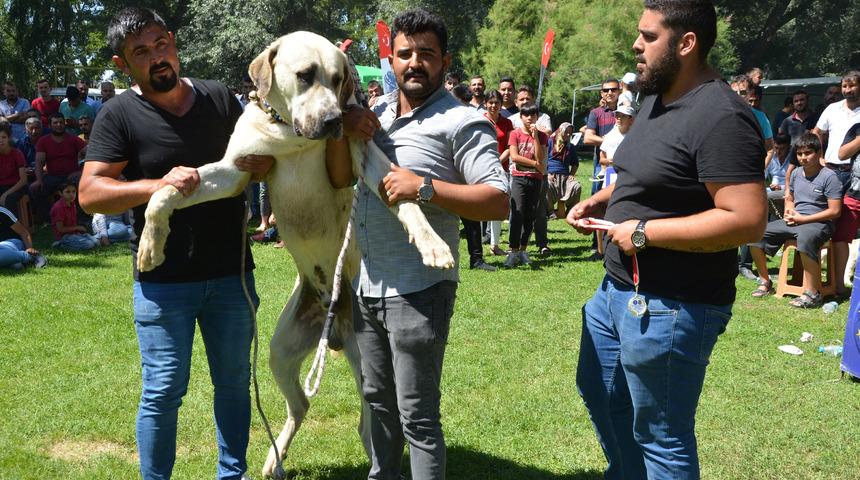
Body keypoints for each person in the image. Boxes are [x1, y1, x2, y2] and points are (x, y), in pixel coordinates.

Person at [567, 1, 766, 478]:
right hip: (615, 291)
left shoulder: (722, 116)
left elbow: (746, 220)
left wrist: (643, 232)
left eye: (649, 36)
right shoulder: (657, 98)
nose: (636, 45)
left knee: (661, 435)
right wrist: (602, 200)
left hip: (671, 307)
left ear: (687, 43)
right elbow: (649, 173)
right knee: (602, 394)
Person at [77, 7, 273, 480]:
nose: (157, 57)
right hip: (163, 281)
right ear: (123, 64)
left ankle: (233, 474)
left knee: (234, 384)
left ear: (172, 41)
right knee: (163, 390)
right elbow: (90, 194)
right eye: (141, 52)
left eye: (160, 44)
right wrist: (157, 185)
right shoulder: (117, 114)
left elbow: (261, 153)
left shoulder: (219, 98)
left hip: (231, 274)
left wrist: (264, 164)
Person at [326, 8, 509, 479]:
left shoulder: (463, 121)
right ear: (391, 58)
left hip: (420, 290)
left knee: (417, 416)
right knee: (376, 404)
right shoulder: (376, 114)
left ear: (445, 61)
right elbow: (340, 178)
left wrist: (423, 187)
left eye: (426, 53)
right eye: (405, 53)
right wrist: (343, 131)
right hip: (367, 286)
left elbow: (498, 200)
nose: (414, 62)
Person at [749, 133, 841, 307]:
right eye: (800, 154)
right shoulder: (796, 173)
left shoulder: (830, 177)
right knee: (756, 235)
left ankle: (812, 294)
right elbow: (790, 197)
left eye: (808, 153)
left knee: (805, 239)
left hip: (819, 223)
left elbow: (835, 211)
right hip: (796, 220)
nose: (803, 157)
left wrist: (804, 219)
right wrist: (789, 210)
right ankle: (765, 282)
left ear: (818, 153)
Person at [813, 71, 860, 298]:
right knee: (821, 225)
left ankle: (839, 285)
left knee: (843, 233)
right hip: (830, 171)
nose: (847, 90)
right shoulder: (832, 109)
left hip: (855, 176)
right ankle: (816, 281)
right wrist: (819, 157)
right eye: (844, 86)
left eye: (852, 86)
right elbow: (817, 132)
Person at [504, 102, 547, 267]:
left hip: (535, 179)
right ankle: (513, 251)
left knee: (530, 214)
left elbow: (540, 157)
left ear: (537, 117)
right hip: (518, 177)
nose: (529, 118)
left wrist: (535, 137)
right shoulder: (515, 134)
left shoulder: (542, 136)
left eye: (533, 115)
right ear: (521, 117)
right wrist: (535, 164)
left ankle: (523, 250)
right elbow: (514, 157)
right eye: (526, 115)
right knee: (517, 213)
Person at [30, 112, 87, 222]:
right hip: (53, 176)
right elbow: (39, 162)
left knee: (82, 183)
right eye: (55, 123)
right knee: (37, 188)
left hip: (72, 175)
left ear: (64, 124)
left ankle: (80, 217)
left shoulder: (73, 139)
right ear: (50, 125)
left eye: (61, 122)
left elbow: (91, 155)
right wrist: (38, 180)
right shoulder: (43, 141)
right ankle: (49, 219)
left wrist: (82, 172)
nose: (59, 125)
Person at [483, 89, 514, 256]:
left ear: (501, 104)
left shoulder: (507, 123)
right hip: (482, 168)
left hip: (502, 168)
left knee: (500, 205)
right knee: (483, 205)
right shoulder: (479, 120)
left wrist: (498, 161)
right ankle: (481, 243)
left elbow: (510, 147)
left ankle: (496, 245)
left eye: (497, 102)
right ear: (485, 104)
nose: (494, 105)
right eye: (491, 102)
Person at [546, 122, 581, 219]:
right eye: (566, 132)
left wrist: (571, 174)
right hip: (551, 174)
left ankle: (571, 211)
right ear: (560, 131)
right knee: (546, 185)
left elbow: (575, 164)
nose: (568, 135)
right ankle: (550, 211)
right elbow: (543, 159)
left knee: (576, 186)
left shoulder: (570, 147)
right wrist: (547, 173)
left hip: (565, 176)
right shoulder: (550, 142)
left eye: (570, 133)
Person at [50, 183, 100, 251]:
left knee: (97, 242)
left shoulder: (72, 204)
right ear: (60, 193)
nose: (71, 194)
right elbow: (60, 229)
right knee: (89, 244)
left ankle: (79, 239)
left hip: (74, 233)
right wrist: (77, 227)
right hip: (63, 236)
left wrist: (77, 229)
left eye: (74, 191)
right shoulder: (58, 207)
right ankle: (60, 244)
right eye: (68, 192)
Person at [0, 205, 46, 269]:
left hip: (12, 242)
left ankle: (32, 257)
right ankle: (14, 262)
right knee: (16, 266)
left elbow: (24, 233)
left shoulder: (1, 211)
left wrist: (29, 248)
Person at [598, 103, 637, 177]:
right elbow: (601, 159)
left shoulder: (636, 137)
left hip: (629, 175)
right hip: (611, 174)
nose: (619, 118)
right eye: (617, 115)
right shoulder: (609, 136)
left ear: (631, 120)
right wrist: (610, 161)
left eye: (623, 116)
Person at [0, 123, 28, 215]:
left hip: (16, 186)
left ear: (9, 138)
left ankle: (13, 224)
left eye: (3, 137)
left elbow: (23, 180)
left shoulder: (17, 154)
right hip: (1, 186)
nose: (1, 140)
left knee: (8, 200)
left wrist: (5, 194)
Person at [765, 133, 791, 216]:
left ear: (789, 147)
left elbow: (796, 182)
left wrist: (781, 187)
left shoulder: (793, 158)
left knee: (766, 197)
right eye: (776, 148)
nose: (778, 152)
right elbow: (763, 175)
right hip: (772, 189)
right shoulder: (771, 157)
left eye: (782, 149)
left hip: (788, 189)